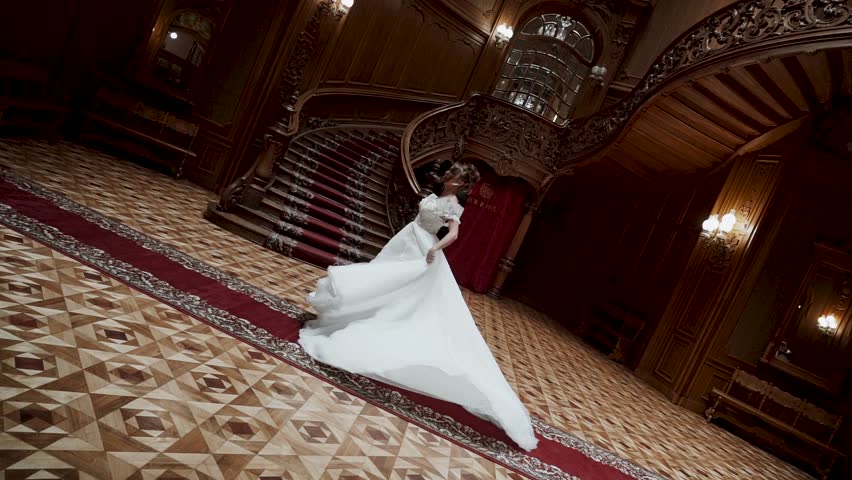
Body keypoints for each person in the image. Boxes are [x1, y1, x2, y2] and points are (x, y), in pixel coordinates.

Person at [298, 162, 539, 451]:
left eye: (456, 178)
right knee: (384, 280)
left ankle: (383, 324)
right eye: (451, 174)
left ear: (462, 185)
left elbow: (454, 234)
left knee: (400, 291)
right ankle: (364, 313)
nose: (450, 178)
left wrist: (434, 249)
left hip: (422, 249)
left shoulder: (451, 203)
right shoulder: (438, 197)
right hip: (405, 241)